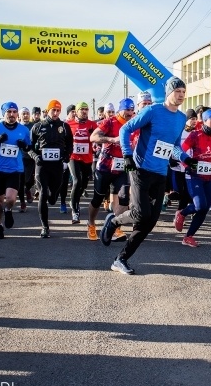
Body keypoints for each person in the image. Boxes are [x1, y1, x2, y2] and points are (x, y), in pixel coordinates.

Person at [100, 77, 191, 275]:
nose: (181, 95)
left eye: (183, 92)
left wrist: (185, 158)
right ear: (168, 92)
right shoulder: (152, 111)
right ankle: (114, 221)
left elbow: (174, 146)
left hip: (160, 173)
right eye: (178, 91)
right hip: (140, 169)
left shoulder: (181, 118)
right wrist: (126, 155)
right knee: (142, 213)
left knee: (149, 222)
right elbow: (125, 129)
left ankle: (120, 259)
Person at [176, 109, 211, 247]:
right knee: (200, 205)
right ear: (205, 120)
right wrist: (186, 162)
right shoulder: (195, 135)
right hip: (194, 175)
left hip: (210, 176)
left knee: (205, 208)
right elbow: (181, 150)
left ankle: (188, 236)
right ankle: (182, 213)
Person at [0, 102, 32, 239]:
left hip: (15, 169)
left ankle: (8, 209)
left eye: (14, 112)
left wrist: (24, 146)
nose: (12, 114)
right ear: (4, 114)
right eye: (9, 112)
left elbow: (29, 148)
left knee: (11, 198)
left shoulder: (24, 130)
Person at [87, 98, 134, 242]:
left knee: (124, 199)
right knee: (98, 198)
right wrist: (112, 140)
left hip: (122, 167)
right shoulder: (110, 122)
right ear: (120, 110)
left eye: (132, 110)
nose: (130, 113)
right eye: (127, 110)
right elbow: (93, 137)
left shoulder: (134, 124)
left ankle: (114, 227)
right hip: (105, 167)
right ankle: (91, 223)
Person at [28, 99, 73, 238]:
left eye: (58, 110)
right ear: (48, 111)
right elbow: (29, 147)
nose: (56, 113)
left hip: (57, 165)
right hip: (42, 165)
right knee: (42, 194)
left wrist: (66, 157)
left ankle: (52, 195)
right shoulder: (37, 126)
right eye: (53, 110)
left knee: (53, 198)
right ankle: (45, 227)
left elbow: (70, 144)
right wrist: (35, 156)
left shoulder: (64, 126)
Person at [67, 102, 98, 225]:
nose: (84, 111)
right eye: (82, 109)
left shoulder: (92, 124)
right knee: (77, 181)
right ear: (76, 111)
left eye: (86, 109)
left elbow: (99, 137)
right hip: (73, 157)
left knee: (84, 183)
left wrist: (96, 141)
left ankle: (74, 198)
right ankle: (75, 210)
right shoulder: (68, 124)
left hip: (87, 158)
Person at [18, 107, 36, 211]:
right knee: (21, 180)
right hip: (20, 157)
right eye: (23, 114)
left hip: (31, 156)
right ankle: (22, 203)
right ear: (19, 116)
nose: (25, 115)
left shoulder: (33, 126)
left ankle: (28, 189)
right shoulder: (17, 127)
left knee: (29, 180)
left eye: (27, 113)